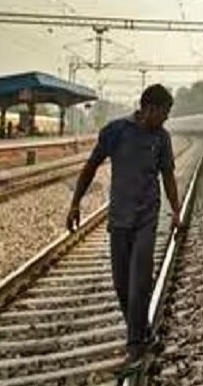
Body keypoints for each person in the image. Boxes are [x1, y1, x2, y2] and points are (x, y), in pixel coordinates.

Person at [66, 85, 181, 363]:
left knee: (140, 277)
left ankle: (134, 344)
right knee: (121, 283)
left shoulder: (162, 139)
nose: (166, 119)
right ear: (150, 109)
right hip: (119, 217)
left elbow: (167, 176)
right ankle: (139, 330)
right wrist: (75, 202)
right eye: (164, 113)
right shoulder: (116, 132)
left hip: (146, 216)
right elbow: (91, 166)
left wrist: (176, 210)